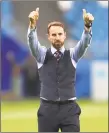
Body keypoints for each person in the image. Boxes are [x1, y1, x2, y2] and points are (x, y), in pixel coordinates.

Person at [27, 7, 94, 132]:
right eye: (53, 34)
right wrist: (32, 26)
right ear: (48, 37)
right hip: (47, 109)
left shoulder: (73, 55)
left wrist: (87, 26)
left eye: (59, 34)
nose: (57, 37)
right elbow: (33, 43)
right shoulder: (41, 55)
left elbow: (84, 44)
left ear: (64, 35)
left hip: (69, 110)